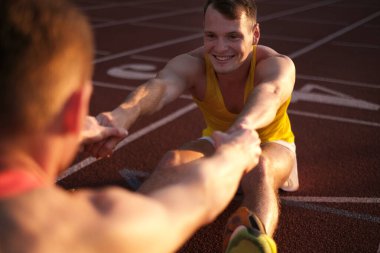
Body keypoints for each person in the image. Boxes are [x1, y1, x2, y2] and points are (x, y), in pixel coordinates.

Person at [0, 0, 262, 253]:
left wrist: (69, 129)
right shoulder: (66, 228)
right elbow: (195, 197)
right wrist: (234, 156)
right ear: (74, 108)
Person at [93, 0, 299, 251]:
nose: (221, 48)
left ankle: (253, 244)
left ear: (255, 34)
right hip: (221, 138)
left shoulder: (276, 64)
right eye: (211, 36)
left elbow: (271, 92)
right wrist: (119, 117)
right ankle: (115, 233)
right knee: (172, 161)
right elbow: (158, 88)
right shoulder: (193, 64)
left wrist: (241, 130)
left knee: (260, 169)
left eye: (233, 36)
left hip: (272, 144)